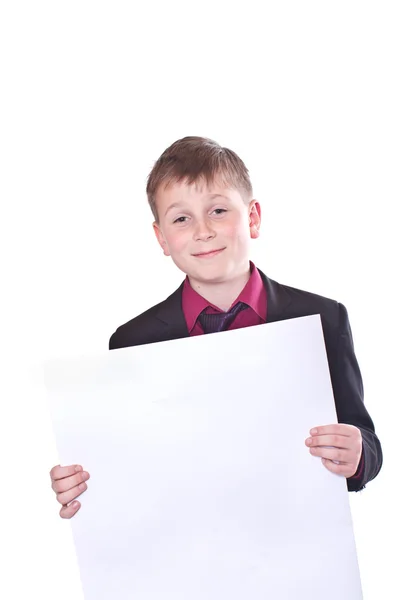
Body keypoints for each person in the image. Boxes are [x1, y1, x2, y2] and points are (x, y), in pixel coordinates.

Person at [50, 136, 383, 519]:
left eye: (219, 211)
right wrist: (82, 481)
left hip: (298, 542)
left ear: (253, 218)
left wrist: (358, 455)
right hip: (186, 553)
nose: (203, 231)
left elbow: (366, 445)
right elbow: (129, 461)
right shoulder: (132, 342)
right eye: (181, 219)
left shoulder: (323, 318)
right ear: (162, 238)